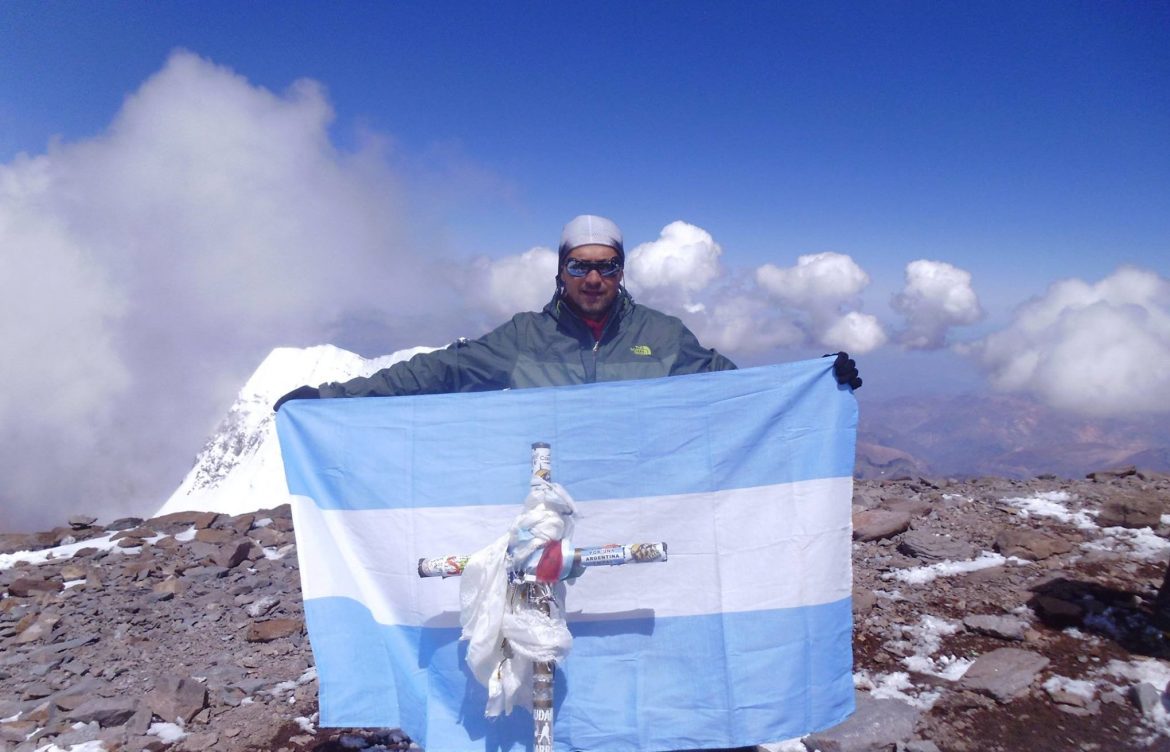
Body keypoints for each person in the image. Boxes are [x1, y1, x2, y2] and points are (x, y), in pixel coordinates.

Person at [275, 214, 860, 410]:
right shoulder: (524, 338)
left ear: (622, 271)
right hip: (550, 509)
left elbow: (735, 391)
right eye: (579, 266)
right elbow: (440, 371)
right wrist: (333, 400)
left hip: (644, 495)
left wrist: (813, 382)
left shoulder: (662, 335)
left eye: (607, 266)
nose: (594, 278)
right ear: (559, 273)